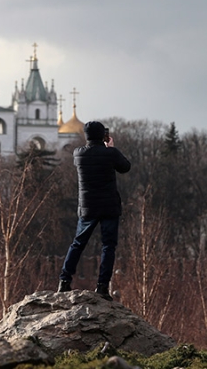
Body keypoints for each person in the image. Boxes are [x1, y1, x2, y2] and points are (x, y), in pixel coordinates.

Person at [58, 121, 131, 301]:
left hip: (87, 207)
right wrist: (111, 148)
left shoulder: (78, 154)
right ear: (102, 135)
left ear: (86, 136)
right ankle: (102, 287)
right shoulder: (110, 154)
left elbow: (89, 155)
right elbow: (125, 167)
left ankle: (64, 281)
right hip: (109, 206)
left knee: (78, 243)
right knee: (108, 246)